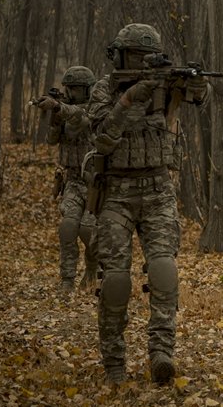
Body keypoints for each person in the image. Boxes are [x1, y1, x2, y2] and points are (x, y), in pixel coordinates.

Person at [88, 23, 208, 385]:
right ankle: (114, 364)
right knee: (116, 281)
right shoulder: (104, 90)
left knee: (163, 271)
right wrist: (129, 100)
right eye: (134, 57)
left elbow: (197, 96)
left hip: (157, 188)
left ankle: (161, 353)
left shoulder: (165, 87)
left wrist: (195, 85)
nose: (140, 63)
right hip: (117, 192)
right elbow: (101, 138)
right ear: (121, 57)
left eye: (146, 58)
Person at [32, 66, 100, 293]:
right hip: (72, 180)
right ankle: (67, 279)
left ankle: (92, 269)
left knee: (87, 230)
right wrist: (54, 116)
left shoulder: (95, 108)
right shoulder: (63, 111)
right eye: (68, 89)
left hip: (94, 182)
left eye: (75, 89)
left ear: (86, 90)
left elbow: (81, 118)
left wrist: (60, 107)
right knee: (68, 227)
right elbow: (52, 140)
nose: (70, 93)